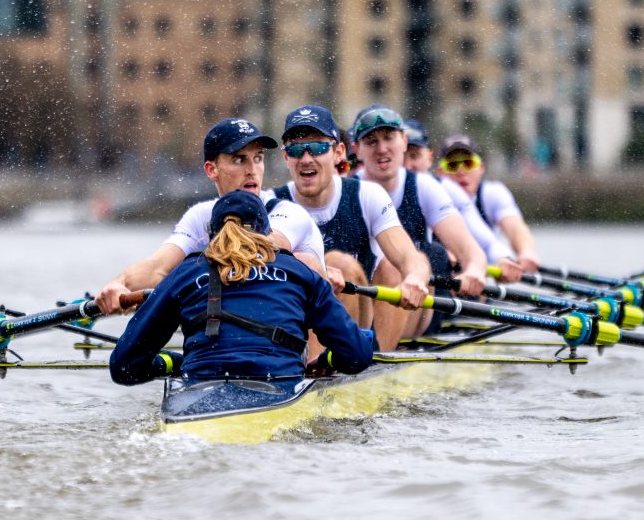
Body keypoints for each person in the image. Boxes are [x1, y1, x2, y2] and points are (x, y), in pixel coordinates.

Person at [110, 190, 376, 385]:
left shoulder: (185, 273)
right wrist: (327, 361)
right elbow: (358, 354)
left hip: (201, 385)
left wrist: (171, 363)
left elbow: (123, 366)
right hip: (278, 382)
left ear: (212, 234)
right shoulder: (300, 272)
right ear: (266, 232)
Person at [96, 117, 330, 315]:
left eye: (257, 158)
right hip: (234, 333)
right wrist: (119, 284)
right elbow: (157, 266)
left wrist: (183, 276)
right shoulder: (200, 215)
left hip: (287, 340)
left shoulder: (287, 212)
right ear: (211, 170)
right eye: (239, 159)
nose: (252, 170)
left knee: (303, 262)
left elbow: (259, 252)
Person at [271, 105, 432, 348]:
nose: (306, 159)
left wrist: (415, 279)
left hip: (358, 320)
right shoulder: (271, 203)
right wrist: (317, 272)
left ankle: (378, 357)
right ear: (286, 157)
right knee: (328, 266)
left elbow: (410, 257)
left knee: (390, 268)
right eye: (295, 150)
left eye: (318, 148)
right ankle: (318, 362)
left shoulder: (367, 195)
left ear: (338, 153)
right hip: (295, 330)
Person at [350, 104, 487, 340]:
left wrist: (473, 271)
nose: (382, 149)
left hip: (412, 306)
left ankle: (386, 348)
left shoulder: (425, 187)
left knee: (431, 255)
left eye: (389, 138)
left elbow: (472, 253)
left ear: (403, 141)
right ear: (357, 150)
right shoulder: (346, 190)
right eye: (371, 141)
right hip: (361, 304)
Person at [403, 120, 525, 282]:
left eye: (414, 156)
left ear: (429, 157)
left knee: (438, 254)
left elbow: (488, 244)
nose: (407, 166)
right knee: (435, 253)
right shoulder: (374, 190)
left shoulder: (446, 189)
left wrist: (504, 258)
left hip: (440, 281)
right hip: (402, 276)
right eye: (402, 156)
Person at [436, 135, 540, 274]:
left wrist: (526, 252)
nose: (461, 171)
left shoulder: (492, 193)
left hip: (481, 275)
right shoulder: (430, 197)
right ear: (440, 172)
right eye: (452, 165)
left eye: (468, 163)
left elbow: (515, 227)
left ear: (481, 167)